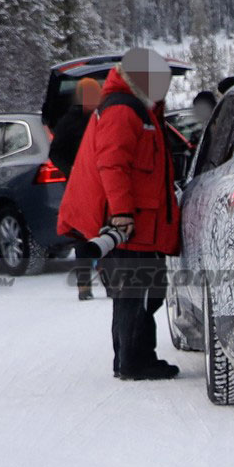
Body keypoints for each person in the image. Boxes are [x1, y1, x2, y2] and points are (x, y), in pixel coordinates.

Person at [56, 48, 181, 381]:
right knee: (136, 293)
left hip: (138, 221)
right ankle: (133, 362)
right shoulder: (124, 110)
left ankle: (131, 358)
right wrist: (122, 213)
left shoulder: (134, 107)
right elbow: (112, 165)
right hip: (131, 223)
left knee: (141, 292)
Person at [49, 77, 103, 299]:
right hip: (79, 187)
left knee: (104, 233)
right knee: (82, 234)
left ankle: (110, 281)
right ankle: (84, 285)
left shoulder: (103, 116)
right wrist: (72, 170)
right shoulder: (69, 121)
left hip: (102, 184)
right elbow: (55, 153)